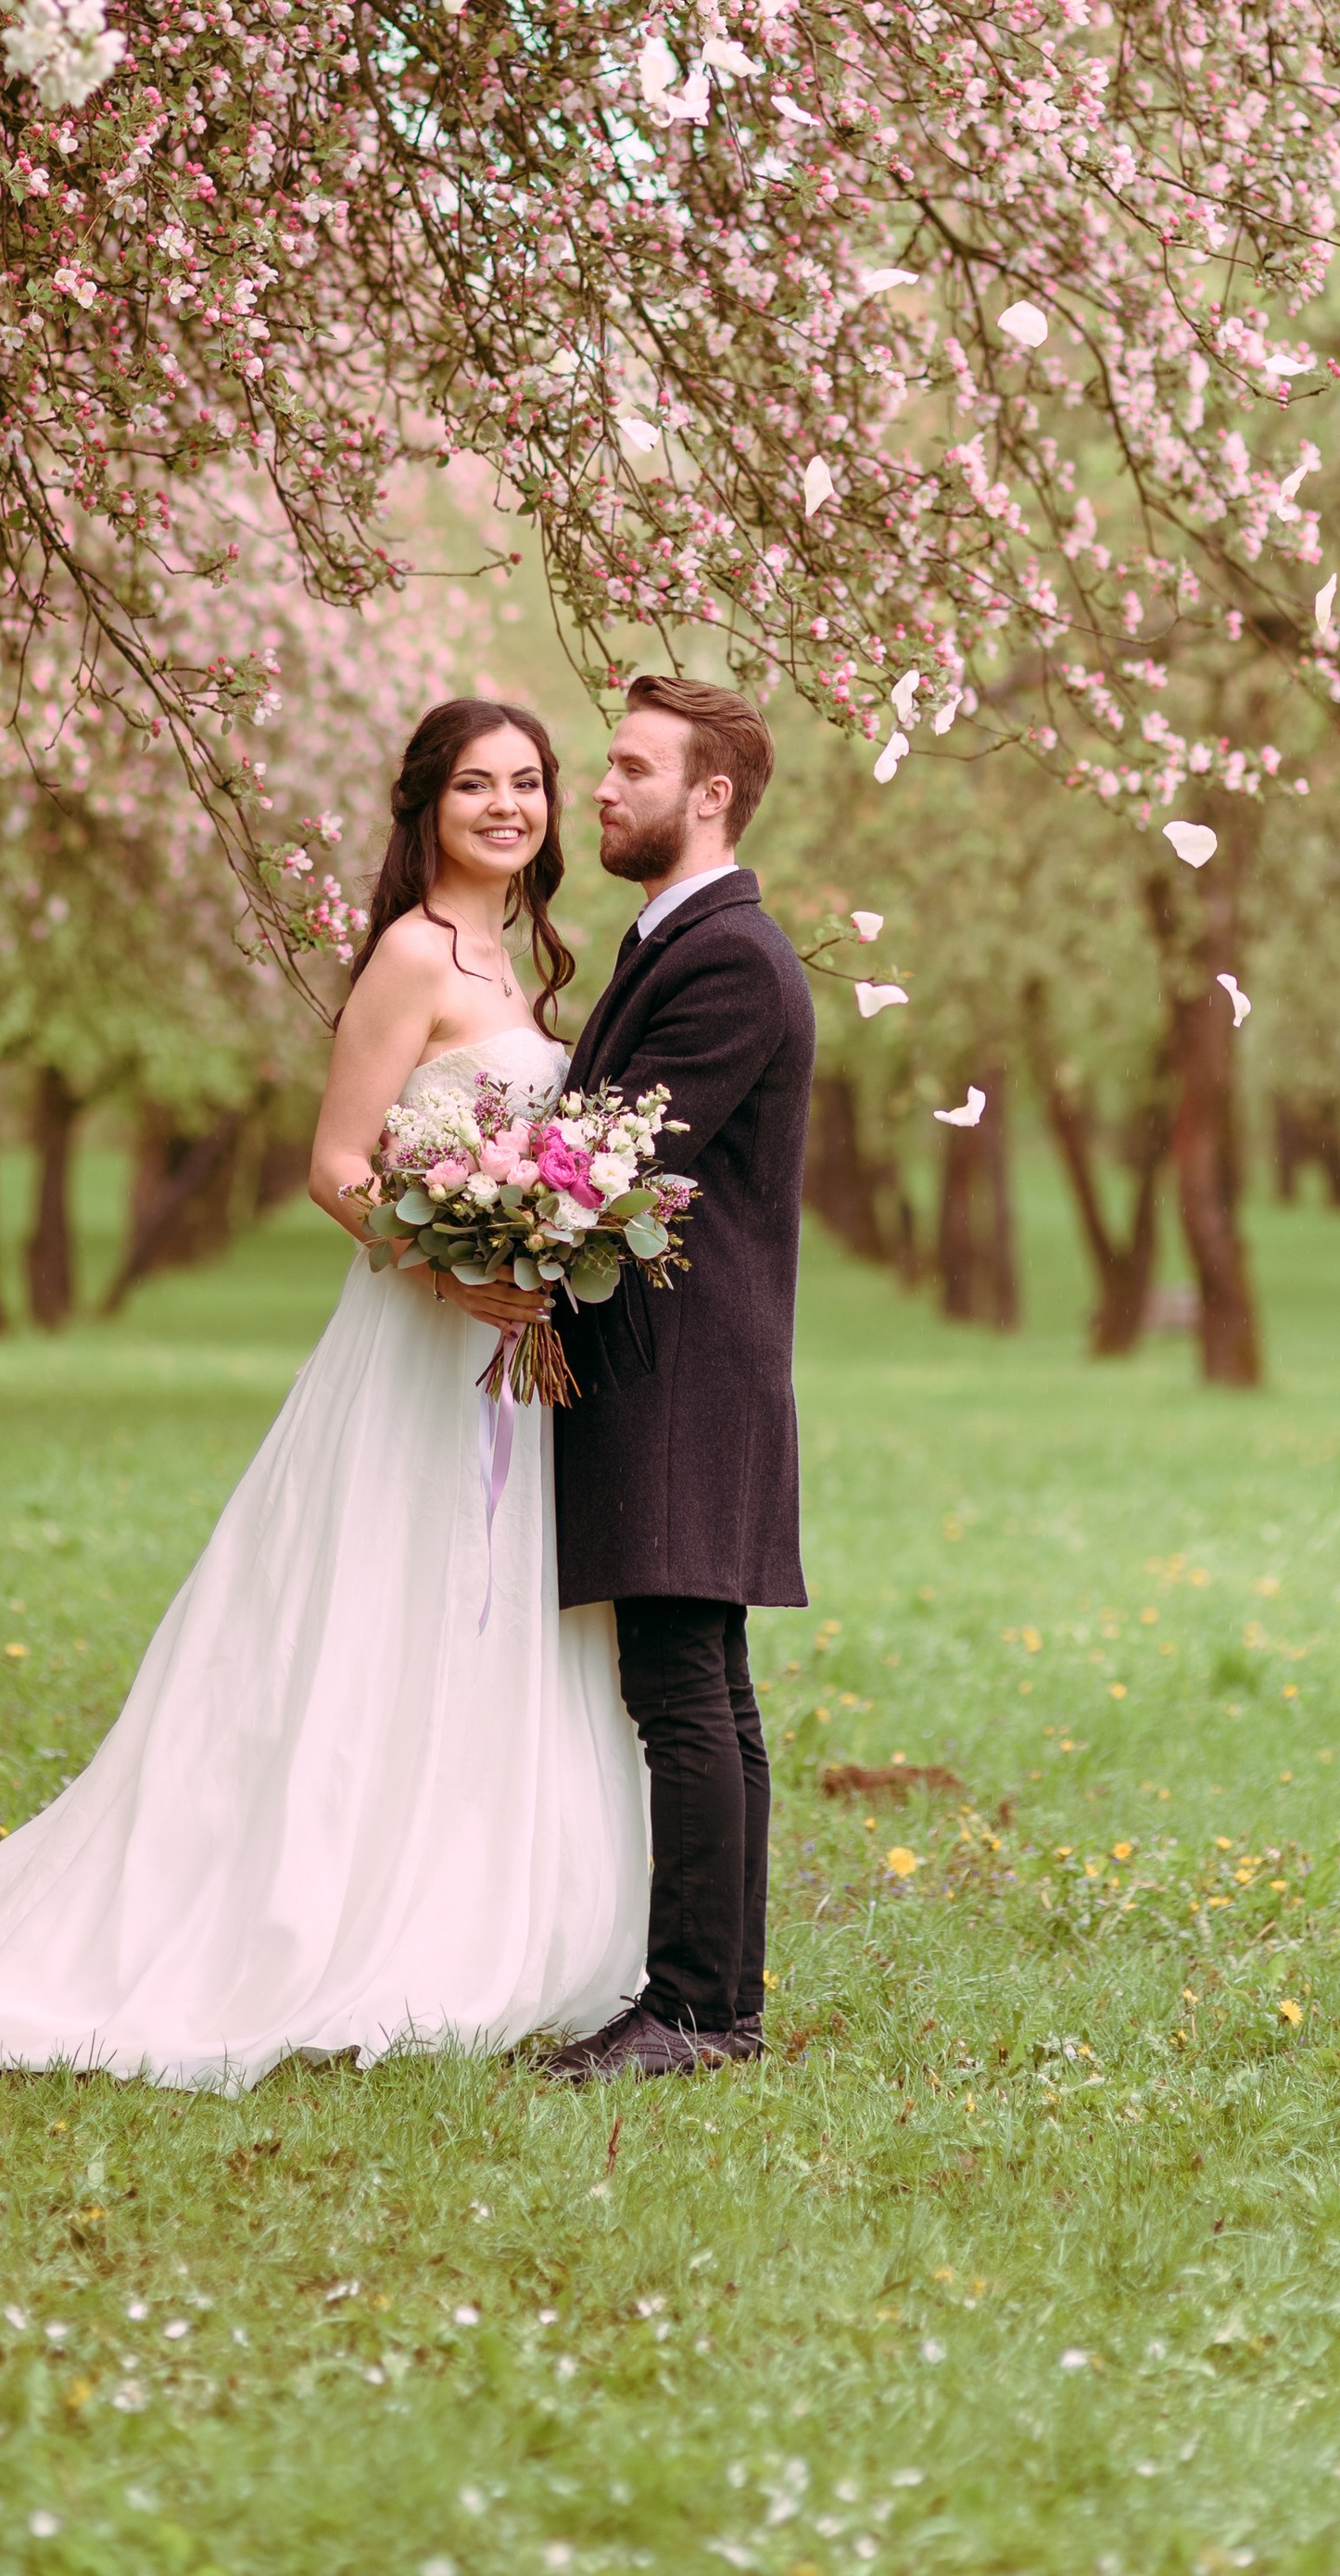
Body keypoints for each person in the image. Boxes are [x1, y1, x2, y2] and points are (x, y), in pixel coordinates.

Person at [0, 701, 648, 2089]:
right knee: (387, 1601)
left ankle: (477, 1888)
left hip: (502, 1364)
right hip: (421, 1347)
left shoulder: (520, 961)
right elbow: (337, 1166)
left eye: (528, 784)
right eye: (476, 784)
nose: (508, 807)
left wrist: (537, 1247)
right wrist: (455, 1267)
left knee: (484, 1609)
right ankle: (329, 1902)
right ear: (426, 805)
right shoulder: (414, 957)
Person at [542, 676, 816, 2082]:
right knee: (705, 1686)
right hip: (683, 1370)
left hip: (682, 1373)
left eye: (631, 768)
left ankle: (699, 2015)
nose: (601, 787)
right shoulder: (677, 943)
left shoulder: (728, 960)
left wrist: (479, 1182)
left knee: (685, 1694)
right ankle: (717, 2007)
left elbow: (609, 1165)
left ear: (708, 794)